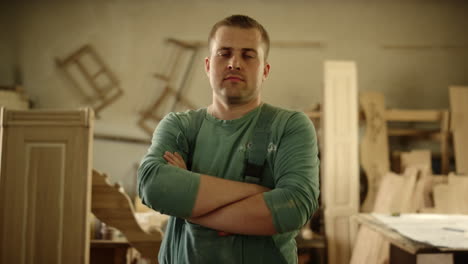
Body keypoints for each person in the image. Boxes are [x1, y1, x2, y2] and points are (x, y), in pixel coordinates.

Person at [137, 14, 320, 264]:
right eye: (224, 53)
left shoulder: (290, 126)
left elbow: (294, 207)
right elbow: (154, 186)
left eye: (248, 55)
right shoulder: (179, 126)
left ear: (265, 70)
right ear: (208, 65)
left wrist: (191, 209)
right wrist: (256, 193)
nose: (234, 63)